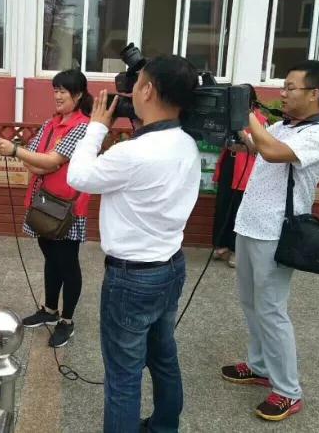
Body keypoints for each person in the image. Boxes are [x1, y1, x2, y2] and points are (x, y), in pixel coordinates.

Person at [67, 56, 201, 433]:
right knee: (163, 358)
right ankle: (164, 427)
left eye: (137, 83)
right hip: (170, 267)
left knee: (123, 377)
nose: (131, 92)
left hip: (131, 278)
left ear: (148, 90)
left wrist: (96, 127)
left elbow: (78, 176)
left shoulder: (132, 153)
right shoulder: (187, 144)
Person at [221, 61, 319, 421]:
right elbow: (257, 146)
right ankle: (259, 366)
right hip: (249, 224)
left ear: (314, 93)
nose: (282, 94)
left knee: (271, 311)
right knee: (250, 303)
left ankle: (288, 391)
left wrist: (245, 111)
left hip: (277, 232)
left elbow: (272, 151)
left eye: (290, 87)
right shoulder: (282, 126)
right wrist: (237, 127)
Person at [0, 68, 92, 348]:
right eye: (55, 90)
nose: (57, 96)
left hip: (66, 208)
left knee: (67, 263)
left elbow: (49, 160)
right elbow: (36, 159)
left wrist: (23, 154)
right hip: (43, 204)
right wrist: (41, 161)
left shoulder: (83, 127)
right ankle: (49, 309)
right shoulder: (51, 123)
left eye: (63, 91)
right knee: (51, 257)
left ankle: (67, 321)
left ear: (78, 95)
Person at [212, 85, 267, 267]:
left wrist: (241, 132)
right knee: (224, 205)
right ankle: (222, 246)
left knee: (238, 209)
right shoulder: (228, 117)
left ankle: (237, 250)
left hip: (246, 170)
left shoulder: (260, 121)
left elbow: (257, 147)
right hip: (230, 164)